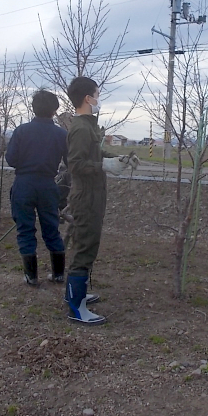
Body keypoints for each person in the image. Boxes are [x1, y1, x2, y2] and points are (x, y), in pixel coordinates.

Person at [63, 77, 137, 325]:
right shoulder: (81, 127)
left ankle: (76, 295)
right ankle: (77, 307)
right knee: (85, 248)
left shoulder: (88, 125)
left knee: (87, 245)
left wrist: (119, 159)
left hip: (93, 195)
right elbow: (75, 164)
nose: (98, 98)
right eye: (97, 93)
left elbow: (94, 154)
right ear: (88, 98)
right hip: (86, 197)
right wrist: (104, 165)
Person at [5, 90, 68, 286]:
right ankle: (58, 274)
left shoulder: (21, 131)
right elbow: (69, 162)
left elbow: (11, 159)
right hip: (48, 184)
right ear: (55, 110)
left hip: (24, 183)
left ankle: (31, 276)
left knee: (25, 228)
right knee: (52, 228)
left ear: (33, 108)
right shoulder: (61, 134)